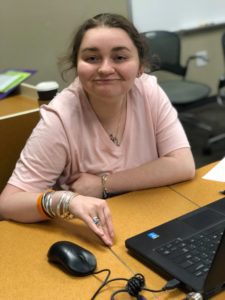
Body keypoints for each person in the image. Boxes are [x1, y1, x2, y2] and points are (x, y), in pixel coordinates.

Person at [0, 13, 195, 247]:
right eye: (92, 58)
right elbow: (9, 203)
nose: (105, 68)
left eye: (120, 57)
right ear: (77, 65)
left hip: (153, 218)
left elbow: (183, 165)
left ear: (140, 65)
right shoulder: (59, 117)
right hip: (95, 236)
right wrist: (66, 200)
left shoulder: (148, 91)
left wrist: (103, 183)